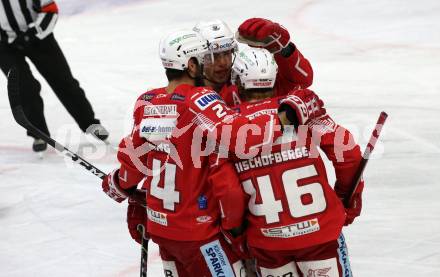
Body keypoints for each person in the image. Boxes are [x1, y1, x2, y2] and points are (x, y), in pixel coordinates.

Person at [100, 29, 292, 276]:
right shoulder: (200, 100)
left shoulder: (147, 101)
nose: (209, 65)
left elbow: (135, 163)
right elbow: (242, 140)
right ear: (190, 65)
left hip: (162, 230)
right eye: (204, 60)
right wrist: (286, 118)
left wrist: (117, 183)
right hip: (200, 233)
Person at [214, 47, 365, 276]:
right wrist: (347, 199)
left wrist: (237, 234)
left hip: (268, 243)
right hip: (320, 235)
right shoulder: (300, 107)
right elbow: (349, 155)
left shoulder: (227, 125)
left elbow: (228, 192)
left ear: (236, 80)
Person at [0, 0, 108, 152]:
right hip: (5, 46)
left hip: (39, 37)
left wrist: (33, 33)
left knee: (63, 81)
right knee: (24, 87)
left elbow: (50, 9)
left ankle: (89, 123)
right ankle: (39, 133)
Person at [193, 18, 313, 106]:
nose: (223, 62)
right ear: (198, 57)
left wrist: (284, 49)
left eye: (227, 53)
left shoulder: (249, 81)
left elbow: (303, 81)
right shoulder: (185, 91)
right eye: (214, 56)